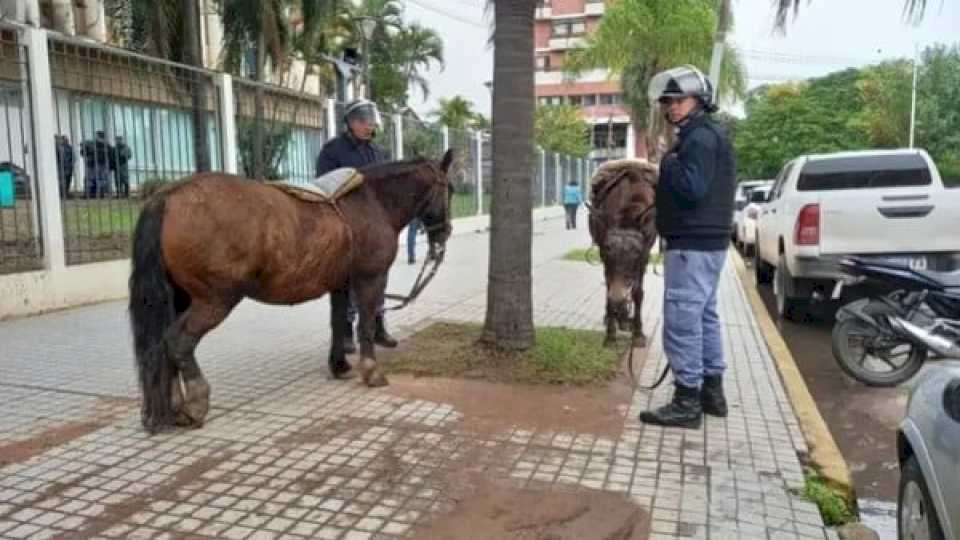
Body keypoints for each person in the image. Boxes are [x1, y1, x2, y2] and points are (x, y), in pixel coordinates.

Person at [638, 65, 736, 429]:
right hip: (708, 244)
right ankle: (713, 394)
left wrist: (667, 161)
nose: (672, 107)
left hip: (692, 245)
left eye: (679, 100)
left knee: (682, 322)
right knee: (705, 317)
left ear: (699, 99)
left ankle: (686, 402)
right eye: (668, 101)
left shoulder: (698, 138)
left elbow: (692, 187)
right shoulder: (710, 134)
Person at [315, 98, 398, 353]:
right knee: (349, 283)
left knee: (378, 279)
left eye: (371, 121)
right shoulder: (333, 150)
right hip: (346, 227)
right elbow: (324, 185)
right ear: (349, 123)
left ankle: (377, 326)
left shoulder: (377, 152)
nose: (369, 126)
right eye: (363, 121)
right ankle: (346, 334)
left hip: (375, 229)